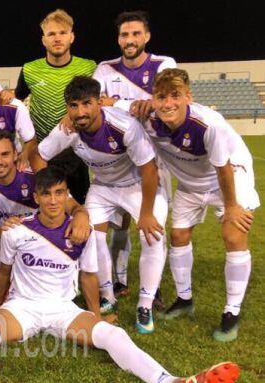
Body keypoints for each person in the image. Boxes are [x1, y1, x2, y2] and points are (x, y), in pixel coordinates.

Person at [0, 167, 241, 383]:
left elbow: (89, 275)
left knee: (113, 335)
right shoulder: (16, 231)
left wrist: (94, 314)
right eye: (47, 194)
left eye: (60, 193)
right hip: (22, 307)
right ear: (36, 197)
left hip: (64, 310)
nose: (53, 200)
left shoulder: (81, 232)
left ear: (67, 195)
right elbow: (4, 273)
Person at [30, 76, 168, 332]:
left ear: (99, 103)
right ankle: (107, 296)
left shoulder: (124, 126)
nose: (80, 112)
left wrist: (146, 213)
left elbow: (149, 171)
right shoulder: (67, 129)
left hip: (138, 184)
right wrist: (58, 196)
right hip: (103, 187)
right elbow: (37, 156)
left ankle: (145, 305)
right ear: (67, 108)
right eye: (73, 105)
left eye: (86, 104)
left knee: (153, 235)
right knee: (90, 236)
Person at [143, 68, 260, 342]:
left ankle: (232, 311)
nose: (168, 103)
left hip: (230, 177)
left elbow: (223, 168)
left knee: (233, 234)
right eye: (161, 97)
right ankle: (185, 299)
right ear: (153, 99)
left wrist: (231, 206)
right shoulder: (148, 118)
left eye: (175, 95)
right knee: (178, 236)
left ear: (188, 97)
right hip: (191, 184)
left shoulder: (210, 124)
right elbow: (111, 106)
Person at [93, 11, 177, 297]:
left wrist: (117, 102)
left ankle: (152, 289)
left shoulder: (164, 64)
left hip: (158, 156)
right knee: (120, 221)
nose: (130, 40)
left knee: (153, 224)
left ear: (147, 36)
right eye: (125, 35)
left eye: (136, 34)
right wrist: (134, 104)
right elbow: (97, 106)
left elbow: (168, 102)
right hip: (117, 154)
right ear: (118, 39)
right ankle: (120, 278)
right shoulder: (105, 69)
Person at [0, 130, 89, 287]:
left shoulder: (36, 176)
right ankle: (4, 282)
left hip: (40, 241)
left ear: (16, 155)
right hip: (4, 241)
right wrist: (5, 230)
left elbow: (72, 206)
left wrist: (81, 215)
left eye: (5, 154)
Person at [11, 9, 96, 204]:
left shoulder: (89, 67)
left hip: (76, 153)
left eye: (62, 33)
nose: (57, 38)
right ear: (44, 40)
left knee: (79, 209)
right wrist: (24, 146)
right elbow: (15, 105)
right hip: (41, 153)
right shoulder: (30, 69)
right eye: (51, 34)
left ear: (71, 37)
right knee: (45, 207)